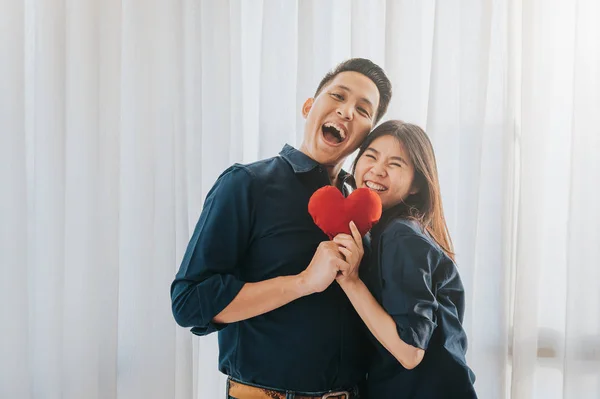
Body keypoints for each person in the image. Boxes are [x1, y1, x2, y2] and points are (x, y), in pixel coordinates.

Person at [170, 58, 392, 398]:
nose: (347, 112)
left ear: (366, 137)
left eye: (363, 111)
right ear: (308, 107)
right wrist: (303, 282)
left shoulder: (367, 211)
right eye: (338, 96)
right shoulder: (246, 185)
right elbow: (189, 302)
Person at [333, 120, 477, 398]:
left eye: (395, 164)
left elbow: (410, 352)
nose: (377, 170)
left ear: (415, 186)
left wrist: (350, 282)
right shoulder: (391, 233)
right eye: (371, 156)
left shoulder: (401, 235)